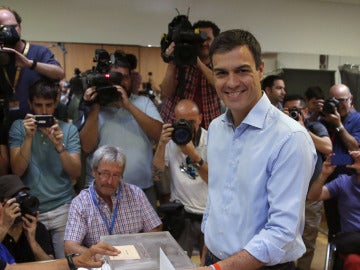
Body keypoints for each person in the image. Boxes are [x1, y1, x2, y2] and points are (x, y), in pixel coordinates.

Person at [192, 29, 317, 270]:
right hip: (216, 260)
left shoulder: (290, 138)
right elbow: (218, 199)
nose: (231, 82)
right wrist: (210, 251)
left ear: (260, 70)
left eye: (242, 70)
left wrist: (216, 269)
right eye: (221, 73)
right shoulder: (217, 129)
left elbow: (281, 233)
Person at [8, 78, 81, 258]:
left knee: (67, 264)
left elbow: (76, 172)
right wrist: (28, 138)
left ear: (56, 103)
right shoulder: (19, 128)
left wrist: (59, 145)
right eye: (38, 105)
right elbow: (17, 171)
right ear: (30, 104)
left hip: (63, 207)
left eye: (48, 105)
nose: (44, 111)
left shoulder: (69, 130)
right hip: (31, 210)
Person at [79, 50, 163, 208]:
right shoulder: (93, 107)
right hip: (102, 190)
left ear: (131, 79)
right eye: (114, 77)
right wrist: (95, 107)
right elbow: (86, 147)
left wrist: (128, 106)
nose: (120, 82)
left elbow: (159, 134)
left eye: (124, 77)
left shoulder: (143, 103)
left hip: (142, 189)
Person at [64, 145, 162, 254]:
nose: (110, 181)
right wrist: (95, 256)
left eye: (116, 175)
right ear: (94, 172)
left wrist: (139, 248)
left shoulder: (136, 194)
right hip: (100, 263)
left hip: (135, 259)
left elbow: (155, 230)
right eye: (105, 174)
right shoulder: (80, 203)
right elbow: (70, 248)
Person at [282, 94, 332, 270]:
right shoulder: (277, 129)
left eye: (296, 110)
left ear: (305, 111)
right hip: (284, 195)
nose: (293, 114)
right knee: (281, 239)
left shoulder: (315, 127)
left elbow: (327, 147)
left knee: (308, 241)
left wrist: (302, 129)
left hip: (310, 195)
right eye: (289, 110)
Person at [153, 99, 208, 258]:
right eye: (182, 121)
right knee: (178, 263)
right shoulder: (171, 141)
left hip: (209, 216)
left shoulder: (211, 140)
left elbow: (215, 181)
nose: (188, 126)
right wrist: (162, 144)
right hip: (182, 216)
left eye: (192, 121)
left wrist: (193, 154)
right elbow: (157, 175)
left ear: (200, 118)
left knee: (209, 264)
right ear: (174, 121)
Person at [0, 6, 64, 123]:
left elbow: (60, 74)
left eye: (13, 27)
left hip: (39, 125)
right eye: (3, 28)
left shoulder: (39, 52)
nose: (10, 32)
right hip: (8, 126)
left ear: (20, 27)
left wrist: (31, 64)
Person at [160, 20, 221, 129]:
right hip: (175, 125)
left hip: (209, 127)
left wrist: (197, 61)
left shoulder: (220, 64)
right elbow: (165, 93)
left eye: (207, 39)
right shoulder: (180, 62)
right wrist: (172, 62)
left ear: (216, 41)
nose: (203, 43)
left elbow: (221, 86)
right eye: (199, 39)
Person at [307, 151, 360, 270]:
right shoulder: (344, 182)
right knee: (354, 261)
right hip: (351, 240)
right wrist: (323, 175)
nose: (357, 157)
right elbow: (313, 196)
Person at [321, 83, 360, 240]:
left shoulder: (357, 119)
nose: (337, 105)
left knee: (349, 232)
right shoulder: (325, 119)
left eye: (341, 100)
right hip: (330, 184)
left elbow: (354, 151)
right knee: (333, 230)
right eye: (333, 100)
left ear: (351, 100)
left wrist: (338, 125)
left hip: (350, 187)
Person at [0, 174, 54, 263]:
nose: (21, 203)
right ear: (2, 204)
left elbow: (52, 266)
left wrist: (32, 241)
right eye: (17, 198)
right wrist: (5, 226)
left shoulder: (36, 227)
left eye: (24, 197)